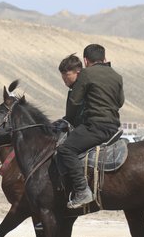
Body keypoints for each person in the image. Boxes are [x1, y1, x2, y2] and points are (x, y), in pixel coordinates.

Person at [53, 44, 124, 209]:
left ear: (85, 60)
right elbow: (120, 102)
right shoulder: (116, 75)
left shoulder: (86, 74)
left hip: (95, 127)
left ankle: (82, 191)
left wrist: (68, 119)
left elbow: (74, 102)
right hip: (113, 127)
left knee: (66, 150)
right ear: (104, 58)